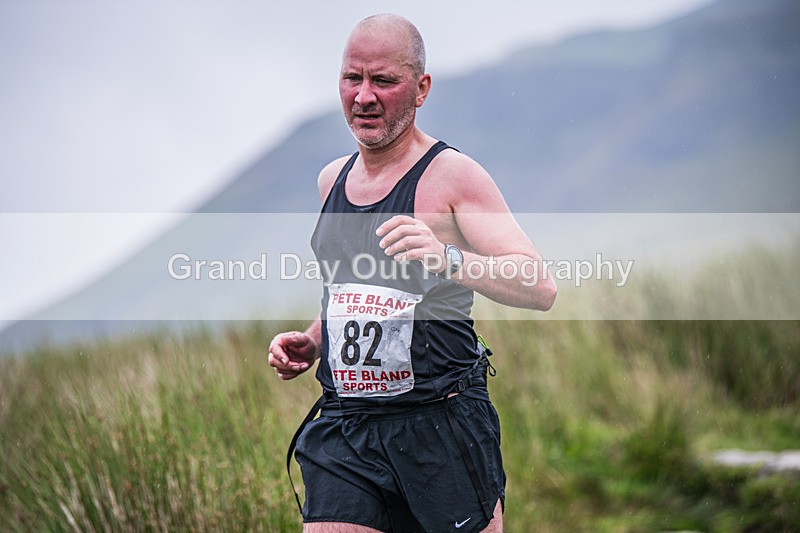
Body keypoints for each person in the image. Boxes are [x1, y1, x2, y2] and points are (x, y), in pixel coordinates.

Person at [268, 13, 556, 533]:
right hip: (347, 428)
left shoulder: (453, 177)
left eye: (383, 80)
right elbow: (352, 288)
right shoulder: (331, 180)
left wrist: (447, 257)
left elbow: (539, 286)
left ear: (421, 88)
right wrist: (314, 341)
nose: (364, 96)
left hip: (440, 424)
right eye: (352, 78)